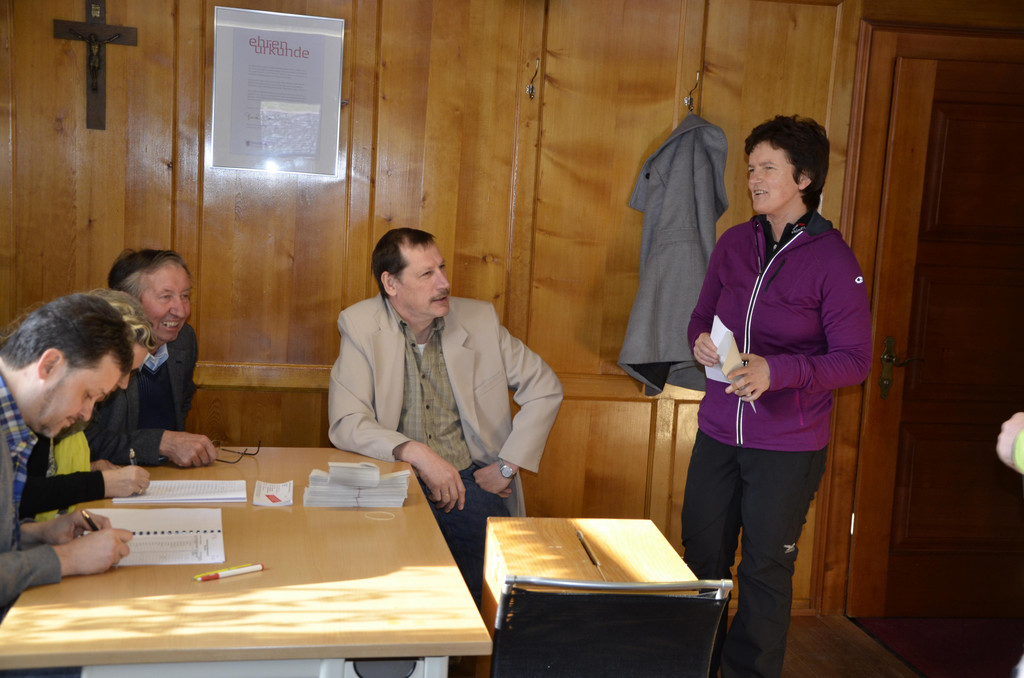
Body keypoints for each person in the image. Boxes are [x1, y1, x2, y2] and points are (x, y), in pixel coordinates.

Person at [682, 115, 872, 677]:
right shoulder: (733, 243)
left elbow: (855, 361)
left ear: (804, 179)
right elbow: (701, 317)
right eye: (750, 169)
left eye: (768, 168)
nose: (754, 179)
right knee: (702, 561)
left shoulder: (833, 260)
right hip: (719, 434)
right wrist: (700, 342)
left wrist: (778, 370)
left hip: (788, 445)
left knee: (764, 570)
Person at [328, 228, 562, 604]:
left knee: (500, 591)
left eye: (442, 268)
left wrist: (506, 466)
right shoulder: (359, 324)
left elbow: (545, 387)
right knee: (389, 586)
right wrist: (417, 453)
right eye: (427, 274)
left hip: (469, 482)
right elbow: (347, 421)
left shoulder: (480, 320)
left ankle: (475, 644)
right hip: (395, 481)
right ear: (391, 283)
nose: (444, 283)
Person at [1, 294, 135, 618]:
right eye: (87, 394)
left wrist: (41, 533)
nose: (87, 414)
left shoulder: (15, 425)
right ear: (49, 365)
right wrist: (67, 559)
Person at [18, 290, 153, 521]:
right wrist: (99, 483)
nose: (123, 384)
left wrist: (90, 468)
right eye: (122, 370)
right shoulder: (36, 405)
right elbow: (21, 496)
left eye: (131, 373)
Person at [86, 249, 217, 467]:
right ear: (127, 302)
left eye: (185, 296)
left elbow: (183, 403)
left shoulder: (183, 340)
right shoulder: (97, 351)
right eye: (166, 297)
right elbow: (82, 440)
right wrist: (160, 443)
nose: (181, 311)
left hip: (167, 474)